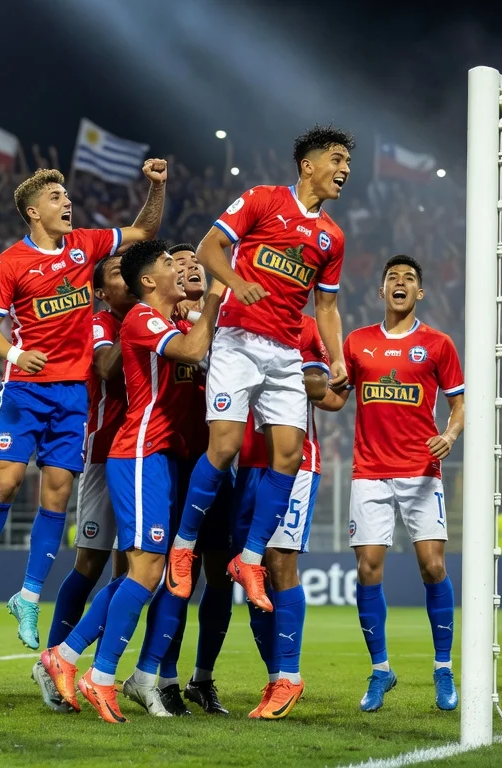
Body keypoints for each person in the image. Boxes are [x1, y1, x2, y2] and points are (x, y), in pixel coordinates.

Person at [0, 161, 168, 650]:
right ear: (34, 212)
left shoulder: (86, 245)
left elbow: (144, 230)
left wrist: (157, 186)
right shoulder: (9, 263)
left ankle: (28, 599)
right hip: (26, 389)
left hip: (73, 395)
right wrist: (15, 353)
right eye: (56, 197)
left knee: (55, 497)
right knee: (7, 483)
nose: (66, 201)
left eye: (66, 195)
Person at [167, 126, 353, 613]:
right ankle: (183, 548)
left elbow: (327, 308)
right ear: (308, 165)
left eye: (347, 163)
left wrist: (335, 357)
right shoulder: (262, 199)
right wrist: (235, 283)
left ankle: (249, 559)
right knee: (225, 446)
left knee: (289, 456)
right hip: (237, 339)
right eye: (337, 160)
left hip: (286, 351)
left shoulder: (332, 237)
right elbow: (209, 249)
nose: (345, 170)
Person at [37, 239, 217, 723]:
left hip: (158, 456)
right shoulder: (140, 319)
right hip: (138, 452)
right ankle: (99, 674)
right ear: (148, 282)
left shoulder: (170, 319)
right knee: (142, 571)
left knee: (144, 572)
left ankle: (69, 658)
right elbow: (195, 348)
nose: (177, 270)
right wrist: (219, 292)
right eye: (166, 265)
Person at [320, 256, 463, 713]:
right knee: (367, 570)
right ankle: (381, 670)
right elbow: (337, 399)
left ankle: (443, 668)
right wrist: (301, 385)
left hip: (421, 471)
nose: (400, 284)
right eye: (392, 279)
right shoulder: (358, 343)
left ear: (419, 293)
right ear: (381, 291)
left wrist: (450, 435)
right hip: (370, 472)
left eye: (409, 280)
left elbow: (459, 403)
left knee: (433, 568)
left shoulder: (438, 344)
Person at [126, 244, 235, 717]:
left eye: (195, 263)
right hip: (169, 462)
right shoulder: (164, 324)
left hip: (216, 465)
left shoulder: (225, 321)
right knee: (170, 573)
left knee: (219, 578)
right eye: (179, 264)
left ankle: (202, 678)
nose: (189, 268)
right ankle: (161, 676)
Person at [37, 252, 133, 712]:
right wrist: (141, 326)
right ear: (99, 290)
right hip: (101, 453)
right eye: (118, 274)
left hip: (143, 455)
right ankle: (51, 660)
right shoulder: (101, 323)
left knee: (129, 570)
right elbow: (107, 368)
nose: (129, 280)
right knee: (89, 565)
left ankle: (90, 665)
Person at [228, 313, 331, 719]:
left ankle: (290, 674)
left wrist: (273, 368)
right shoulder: (234, 322)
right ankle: (275, 676)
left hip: (294, 464)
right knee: (251, 575)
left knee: (280, 562)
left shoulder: (302, 326)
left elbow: (322, 386)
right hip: (247, 466)